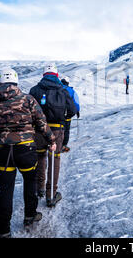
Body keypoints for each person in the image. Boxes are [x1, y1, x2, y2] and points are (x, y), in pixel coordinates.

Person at [0, 68, 56, 238]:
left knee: (5, 189)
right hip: (26, 149)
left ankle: (3, 229)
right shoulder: (28, 100)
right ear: (15, 81)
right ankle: (30, 216)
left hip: (3, 152)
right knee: (30, 182)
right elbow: (41, 123)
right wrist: (51, 140)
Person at [29, 64, 77, 208]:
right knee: (54, 159)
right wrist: (63, 118)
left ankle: (40, 188)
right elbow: (72, 110)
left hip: (38, 130)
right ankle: (51, 195)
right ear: (56, 75)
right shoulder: (62, 90)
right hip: (57, 129)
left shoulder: (34, 90)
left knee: (40, 156)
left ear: (43, 75)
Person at [61, 76, 80, 153]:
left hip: (57, 114)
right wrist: (77, 111)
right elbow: (76, 102)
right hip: (67, 114)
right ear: (68, 83)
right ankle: (64, 145)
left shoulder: (56, 89)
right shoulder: (71, 91)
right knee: (66, 130)